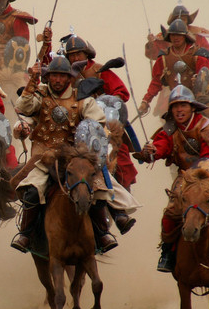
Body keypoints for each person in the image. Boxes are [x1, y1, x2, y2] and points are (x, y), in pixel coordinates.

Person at [12, 56, 140, 254]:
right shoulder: (40, 95)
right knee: (31, 191)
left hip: (75, 157)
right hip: (45, 158)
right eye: (54, 75)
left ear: (69, 78)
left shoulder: (83, 99)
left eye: (62, 76)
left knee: (98, 187)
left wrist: (93, 147)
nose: (57, 80)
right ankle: (25, 234)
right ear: (49, 77)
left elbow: (97, 124)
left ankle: (103, 232)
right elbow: (23, 107)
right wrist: (32, 82)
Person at [135, 85, 209, 274]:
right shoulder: (170, 129)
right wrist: (152, 151)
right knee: (170, 212)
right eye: (175, 106)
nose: (179, 110)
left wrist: (202, 175)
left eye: (183, 105)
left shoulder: (208, 125)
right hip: (186, 176)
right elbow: (162, 144)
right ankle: (168, 253)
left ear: (192, 107)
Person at [62, 33, 137, 190]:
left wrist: (106, 104)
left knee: (120, 159)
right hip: (76, 125)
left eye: (78, 54)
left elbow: (121, 92)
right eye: (72, 55)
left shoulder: (99, 70)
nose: (75, 58)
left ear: (86, 54)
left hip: (106, 126)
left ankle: (121, 206)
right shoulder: (67, 76)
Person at [139, 19, 209, 117]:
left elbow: (207, 78)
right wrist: (146, 101)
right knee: (165, 131)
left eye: (179, 35)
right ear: (169, 37)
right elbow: (156, 82)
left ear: (185, 36)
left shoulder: (198, 55)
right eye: (173, 35)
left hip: (199, 102)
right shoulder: (164, 57)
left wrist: (199, 81)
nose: (175, 38)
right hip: (176, 102)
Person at [145, 2, 209, 61]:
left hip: (193, 70)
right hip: (171, 71)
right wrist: (151, 43)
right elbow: (154, 55)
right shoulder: (166, 36)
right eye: (178, 19)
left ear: (187, 20)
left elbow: (205, 53)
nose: (181, 22)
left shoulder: (197, 35)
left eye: (183, 19)